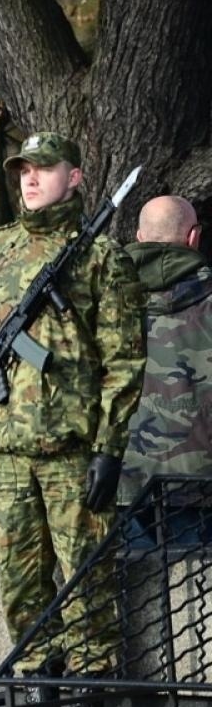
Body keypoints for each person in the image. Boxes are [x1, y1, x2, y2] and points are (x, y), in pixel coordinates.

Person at [0, 132, 144, 707]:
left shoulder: (101, 258)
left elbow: (124, 358)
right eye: (23, 170)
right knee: (22, 583)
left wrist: (110, 445)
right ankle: (38, 704)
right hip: (5, 454)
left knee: (86, 578)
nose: (30, 179)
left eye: (44, 169)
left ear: (74, 177)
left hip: (71, 448)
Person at [120, 196, 212, 511]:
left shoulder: (100, 303)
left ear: (140, 237)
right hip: (201, 487)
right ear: (193, 237)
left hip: (120, 483)